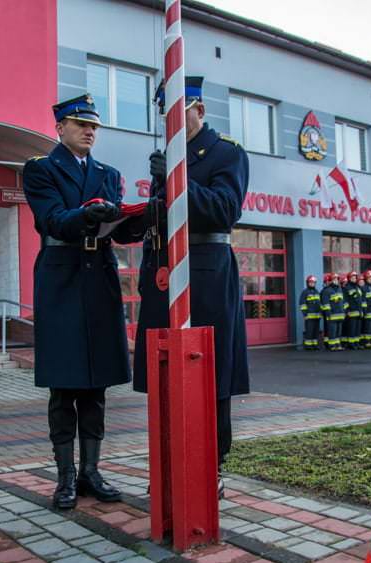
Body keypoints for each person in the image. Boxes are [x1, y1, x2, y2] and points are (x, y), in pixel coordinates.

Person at [24, 94, 143, 509]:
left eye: (94, 126)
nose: (90, 131)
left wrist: (141, 218)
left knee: (96, 387)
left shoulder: (108, 173)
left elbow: (120, 231)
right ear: (60, 128)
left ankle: (92, 471)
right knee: (64, 387)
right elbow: (51, 219)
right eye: (81, 125)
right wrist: (89, 214)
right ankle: (65, 477)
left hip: (99, 279)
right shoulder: (41, 169)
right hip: (61, 277)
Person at [133, 76, 250, 498]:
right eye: (163, 113)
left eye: (177, 111)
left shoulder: (226, 153)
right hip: (165, 272)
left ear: (198, 110)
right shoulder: (169, 155)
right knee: (164, 374)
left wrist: (179, 180)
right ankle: (165, 464)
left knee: (209, 374)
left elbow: (224, 209)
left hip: (207, 272)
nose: (170, 121)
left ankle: (210, 467)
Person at [321, 273, 345, 351]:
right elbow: (326, 304)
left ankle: (338, 345)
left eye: (337, 279)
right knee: (332, 332)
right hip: (332, 315)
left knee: (338, 332)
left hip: (340, 315)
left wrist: (343, 312)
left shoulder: (339, 289)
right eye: (334, 279)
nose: (336, 281)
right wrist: (328, 314)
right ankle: (332, 345)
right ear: (331, 281)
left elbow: (342, 302)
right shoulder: (327, 291)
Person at [299, 275, 322, 350]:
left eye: (313, 283)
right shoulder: (305, 292)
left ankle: (315, 344)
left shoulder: (317, 292)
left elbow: (319, 304)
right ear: (307, 283)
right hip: (309, 316)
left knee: (316, 331)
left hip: (317, 316)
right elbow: (302, 304)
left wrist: (321, 312)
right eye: (311, 282)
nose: (312, 284)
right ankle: (308, 345)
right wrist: (305, 314)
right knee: (309, 331)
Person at [343, 271, 363, 350]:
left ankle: (356, 342)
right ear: (349, 279)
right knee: (352, 329)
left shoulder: (357, 288)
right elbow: (345, 300)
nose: (354, 279)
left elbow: (360, 300)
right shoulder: (347, 288)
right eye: (352, 278)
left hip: (358, 311)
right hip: (351, 312)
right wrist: (347, 310)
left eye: (355, 278)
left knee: (357, 329)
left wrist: (361, 310)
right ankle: (351, 343)